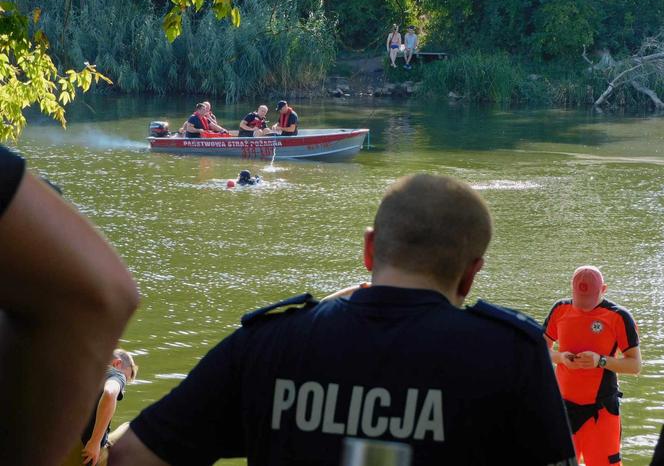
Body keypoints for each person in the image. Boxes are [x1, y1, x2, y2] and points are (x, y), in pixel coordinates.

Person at [110, 173, 575, 466]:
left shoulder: (271, 343)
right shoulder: (511, 354)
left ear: (370, 248)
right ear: (472, 273)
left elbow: (131, 455)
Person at [0, 145, 139, 466]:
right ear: (119, 365)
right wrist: (92, 442)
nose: (127, 381)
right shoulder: (109, 374)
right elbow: (109, 298)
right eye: (130, 374)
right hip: (71, 449)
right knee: (134, 435)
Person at [544, 266, 642, 466]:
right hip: (563, 409)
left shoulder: (619, 317)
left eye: (589, 300)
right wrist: (560, 358)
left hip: (601, 412)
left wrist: (601, 361)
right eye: (580, 299)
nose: (584, 306)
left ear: (604, 290)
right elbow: (539, 351)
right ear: (572, 289)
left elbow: (635, 365)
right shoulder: (560, 309)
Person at [61, 349, 138, 466]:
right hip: (86, 453)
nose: (124, 384)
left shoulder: (82, 369)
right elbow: (110, 393)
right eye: (126, 378)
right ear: (117, 363)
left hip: (57, 447)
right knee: (132, 429)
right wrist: (94, 442)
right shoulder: (115, 374)